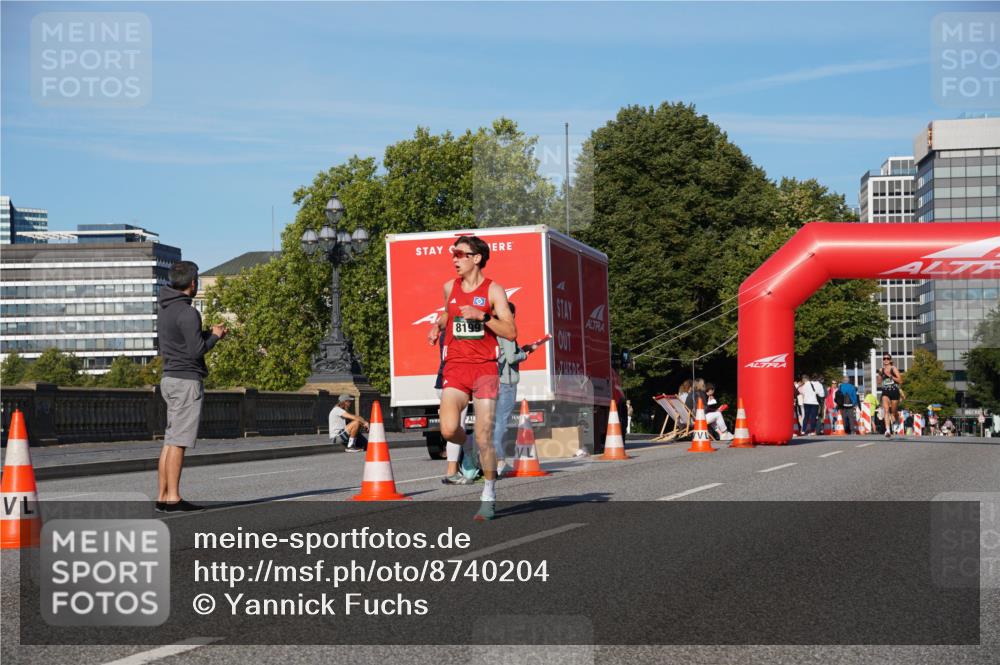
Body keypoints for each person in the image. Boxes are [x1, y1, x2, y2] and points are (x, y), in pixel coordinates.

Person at [427, 236, 516, 521]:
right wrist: (437, 326)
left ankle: (488, 494)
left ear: (476, 258)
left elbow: (511, 332)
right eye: (453, 254)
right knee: (448, 430)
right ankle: (467, 448)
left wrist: (483, 317)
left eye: (460, 254)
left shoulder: (494, 290)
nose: (454, 259)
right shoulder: (449, 287)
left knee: (485, 436)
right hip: (455, 367)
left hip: (485, 370)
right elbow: (447, 313)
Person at [156, 261, 227, 513]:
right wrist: (215, 336)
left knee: (170, 441)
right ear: (193, 283)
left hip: (169, 377)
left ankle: (163, 496)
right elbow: (196, 350)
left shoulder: (165, 308)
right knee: (179, 442)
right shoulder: (188, 312)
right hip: (186, 380)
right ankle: (174, 498)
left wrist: (206, 333)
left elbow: (184, 341)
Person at [492, 302, 542, 476]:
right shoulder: (507, 331)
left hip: (491, 381)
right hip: (506, 382)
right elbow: (512, 358)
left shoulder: (492, 329)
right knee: (501, 422)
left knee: (492, 422)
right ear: (512, 315)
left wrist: (521, 350)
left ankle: (488, 459)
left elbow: (504, 353)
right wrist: (524, 355)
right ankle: (499, 460)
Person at [878, 354, 903, 439]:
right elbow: (879, 382)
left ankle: (897, 420)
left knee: (893, 412)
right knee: (886, 410)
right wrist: (880, 374)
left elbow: (900, 381)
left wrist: (891, 376)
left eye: (887, 358)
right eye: (884, 358)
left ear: (890, 360)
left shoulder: (893, 368)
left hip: (894, 391)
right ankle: (888, 430)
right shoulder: (881, 369)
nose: (886, 360)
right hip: (885, 391)